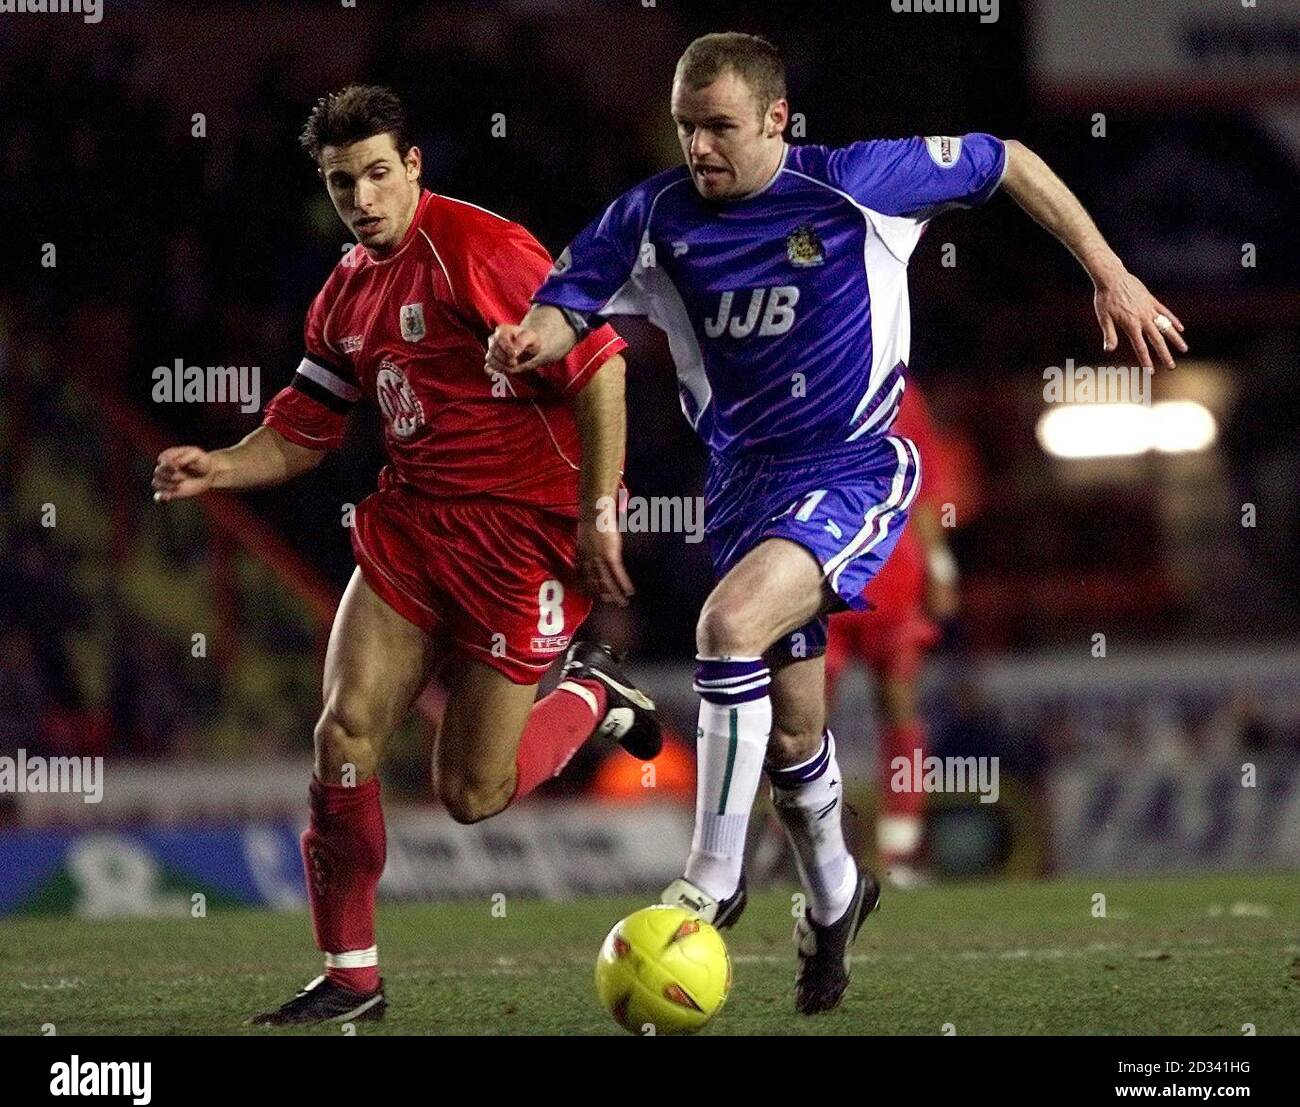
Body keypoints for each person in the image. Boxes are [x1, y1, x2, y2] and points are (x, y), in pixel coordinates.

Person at [486, 32, 1187, 1014]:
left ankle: (712, 880)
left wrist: (1107, 272)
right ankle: (835, 896)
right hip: (741, 487)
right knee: (794, 735)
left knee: (725, 628)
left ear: (776, 120)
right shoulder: (650, 216)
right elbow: (568, 302)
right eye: (688, 127)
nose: (700, 148)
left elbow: (1009, 159)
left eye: (720, 127)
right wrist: (530, 339)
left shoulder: (857, 185)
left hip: (856, 467)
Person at [151, 85, 660, 1026]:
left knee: (471, 791)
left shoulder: (483, 251)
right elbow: (306, 427)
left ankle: (594, 696)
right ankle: (352, 975)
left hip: (525, 542)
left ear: (414, 165)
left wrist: (599, 510)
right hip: (415, 526)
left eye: (379, 174)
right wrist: (218, 465)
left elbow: (603, 365)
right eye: (344, 182)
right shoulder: (344, 291)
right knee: (342, 733)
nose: (364, 198)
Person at [824, 380, 957, 889]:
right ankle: (795, 844)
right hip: (825, 568)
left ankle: (898, 850)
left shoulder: (903, 392)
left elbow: (926, 484)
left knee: (899, 704)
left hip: (894, 572)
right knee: (803, 715)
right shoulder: (813, 367)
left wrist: (942, 567)